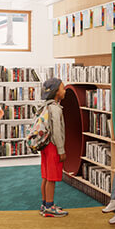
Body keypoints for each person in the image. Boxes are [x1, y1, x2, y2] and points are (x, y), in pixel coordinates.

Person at [39, 76, 69, 217]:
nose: (65, 91)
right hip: (53, 146)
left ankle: (44, 204)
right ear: (57, 91)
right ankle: (50, 207)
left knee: (45, 176)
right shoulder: (55, 109)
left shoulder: (46, 106)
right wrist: (61, 150)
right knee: (52, 178)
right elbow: (57, 131)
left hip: (45, 145)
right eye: (63, 88)